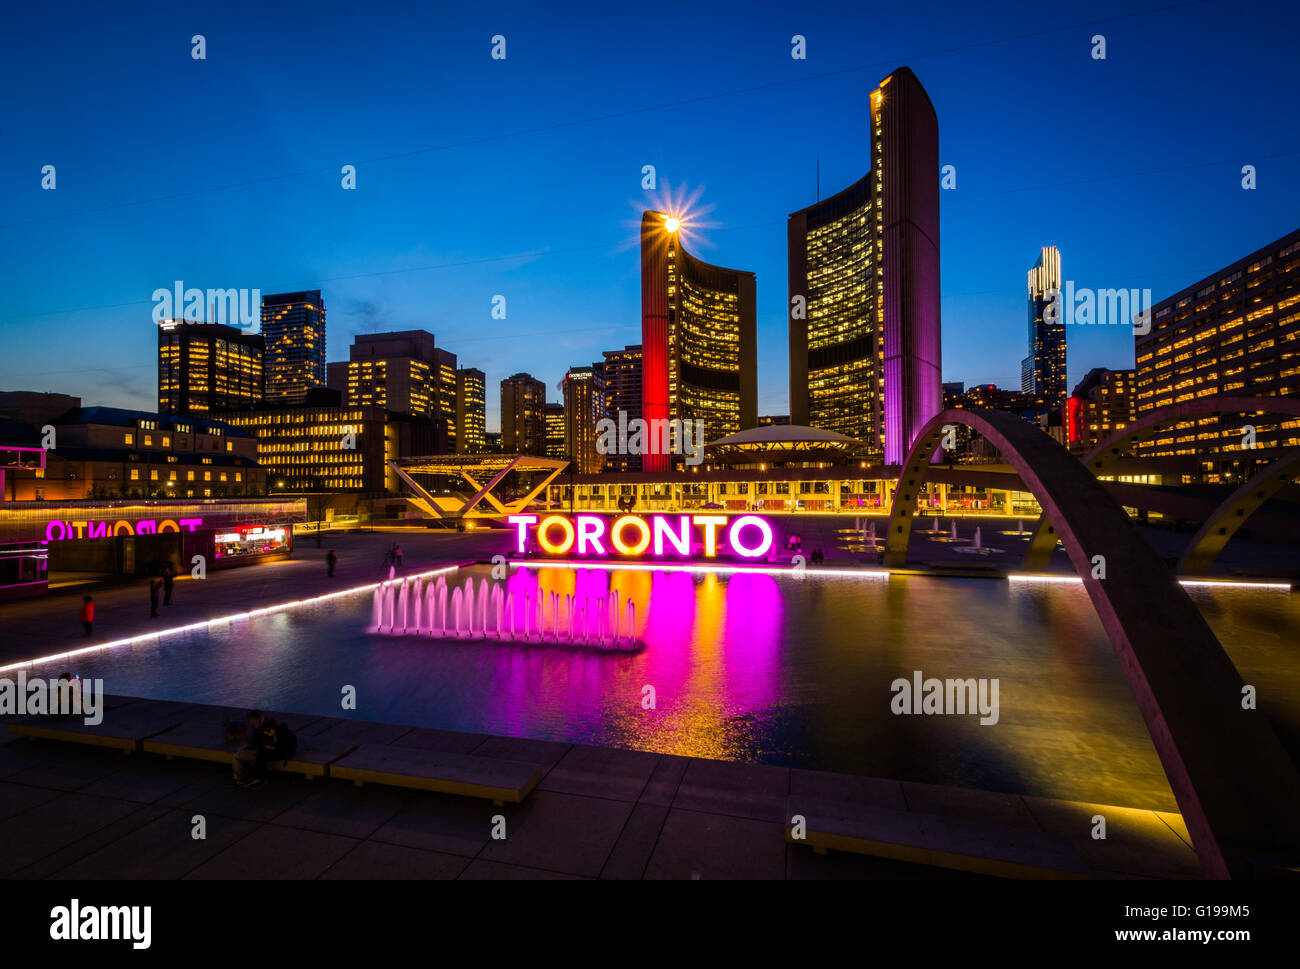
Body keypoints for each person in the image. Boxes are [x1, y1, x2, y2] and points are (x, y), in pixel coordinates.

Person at [231, 710, 266, 787]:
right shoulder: (257, 727)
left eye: (251, 719)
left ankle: (240, 779)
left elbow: (259, 744)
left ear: (256, 719)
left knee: (236, 756)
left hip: (260, 753)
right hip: (259, 751)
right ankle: (241, 778)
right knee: (239, 752)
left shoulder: (261, 728)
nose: (250, 722)